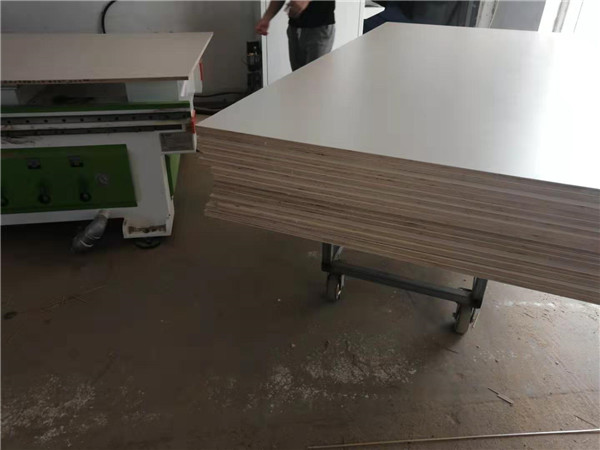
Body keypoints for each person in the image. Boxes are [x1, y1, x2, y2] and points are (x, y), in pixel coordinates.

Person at [256, 1, 336, 71]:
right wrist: (266, 18)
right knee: (297, 78)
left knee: (315, 80)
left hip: (320, 26)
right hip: (294, 28)